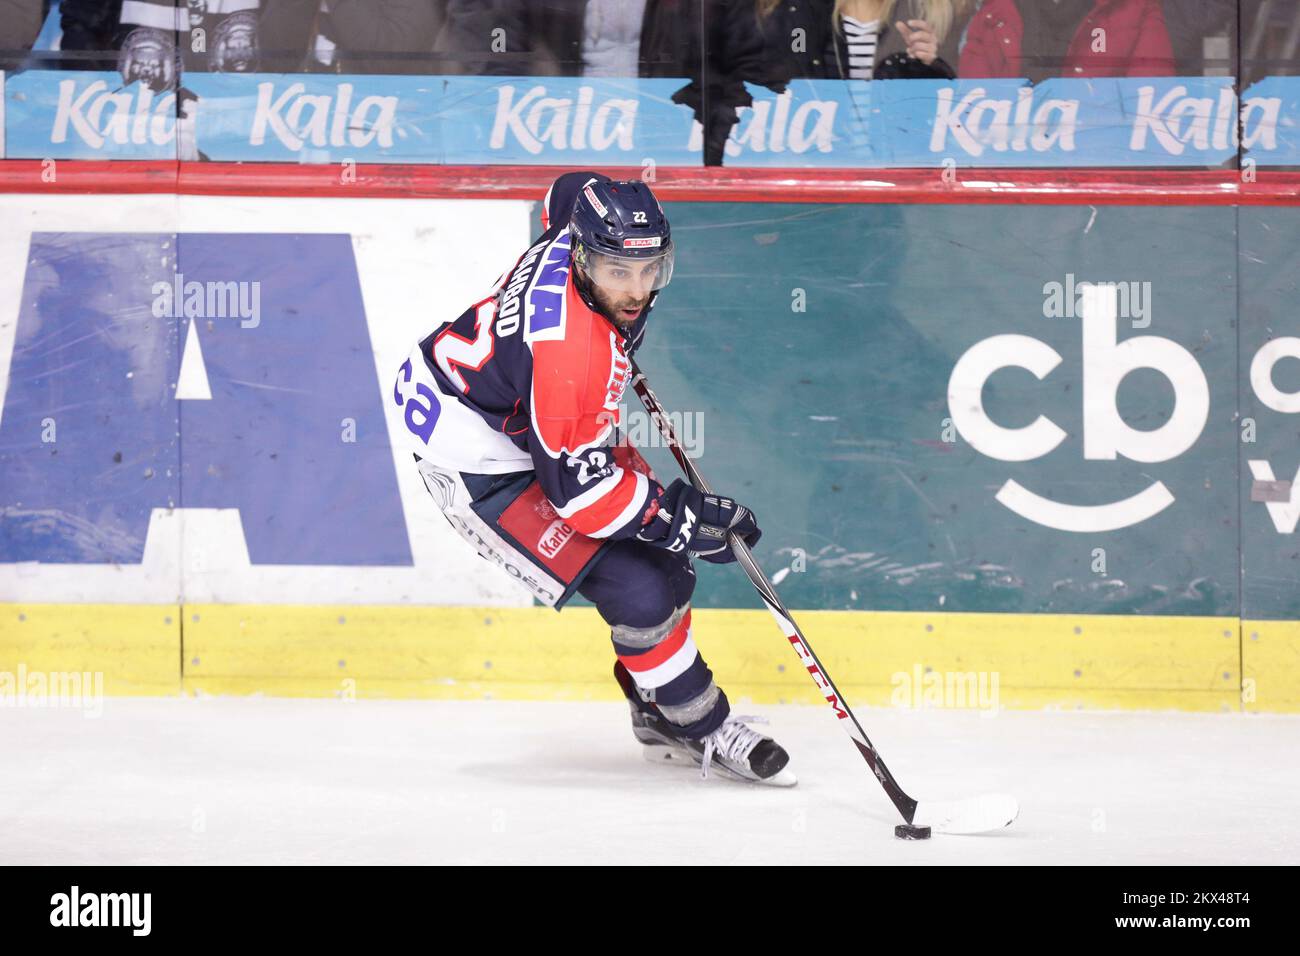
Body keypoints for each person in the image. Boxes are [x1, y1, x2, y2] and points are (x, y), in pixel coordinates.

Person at [394, 172, 795, 786]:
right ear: (581, 257)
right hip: (476, 458)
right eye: (618, 274)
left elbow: (567, 187)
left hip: (522, 415)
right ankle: (699, 724)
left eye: (650, 271)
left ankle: (653, 706)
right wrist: (683, 520)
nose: (636, 292)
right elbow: (581, 497)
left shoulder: (574, 232)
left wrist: (675, 531)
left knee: (670, 565)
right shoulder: (569, 358)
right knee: (638, 587)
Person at [958, 0, 1175, 81]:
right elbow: (972, 110)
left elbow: (1150, 108)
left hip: (1099, 172)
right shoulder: (993, 13)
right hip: (1013, 173)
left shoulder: (1136, 8)